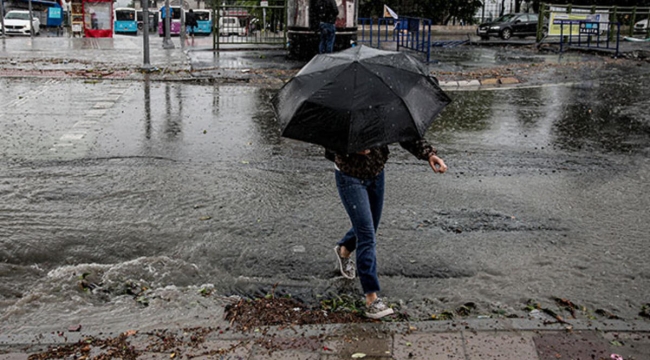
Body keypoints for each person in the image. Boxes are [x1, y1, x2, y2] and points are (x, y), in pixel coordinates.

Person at [329, 140, 447, 319]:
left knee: (370, 228)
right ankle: (371, 299)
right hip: (349, 176)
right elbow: (326, 140)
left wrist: (429, 154)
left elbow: (402, 131)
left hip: (376, 173)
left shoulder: (380, 111)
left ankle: (344, 249)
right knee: (367, 236)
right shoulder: (338, 113)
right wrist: (350, 147)